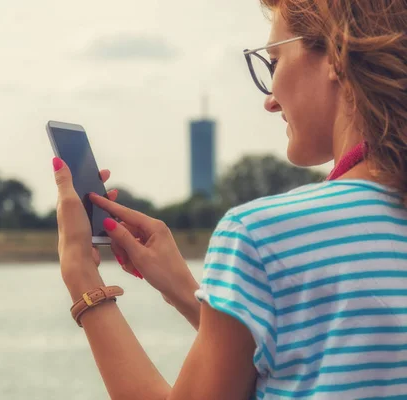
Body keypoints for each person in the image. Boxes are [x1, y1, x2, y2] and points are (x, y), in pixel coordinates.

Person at [51, 0, 407, 398]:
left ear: (336, 55)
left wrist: (82, 275)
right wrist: (190, 293)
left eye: (274, 61)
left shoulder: (260, 236)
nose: (270, 100)